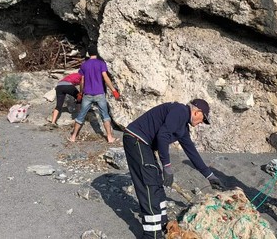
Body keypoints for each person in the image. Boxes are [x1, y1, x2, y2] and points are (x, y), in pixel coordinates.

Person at [123, 99, 224, 239]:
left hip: (145, 145)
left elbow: (191, 152)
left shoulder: (182, 127)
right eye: (203, 118)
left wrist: (210, 176)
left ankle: (163, 224)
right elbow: (163, 135)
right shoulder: (180, 111)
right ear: (197, 111)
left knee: (157, 182)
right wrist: (167, 166)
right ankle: (151, 234)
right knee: (149, 185)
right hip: (136, 139)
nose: (202, 122)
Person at [69, 45, 120, 143]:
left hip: (87, 95)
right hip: (99, 94)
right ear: (97, 53)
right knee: (105, 115)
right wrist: (114, 90)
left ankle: (73, 137)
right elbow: (105, 78)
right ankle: (109, 137)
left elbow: (82, 81)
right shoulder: (101, 63)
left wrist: (80, 93)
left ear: (88, 53)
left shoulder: (84, 64)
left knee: (81, 116)